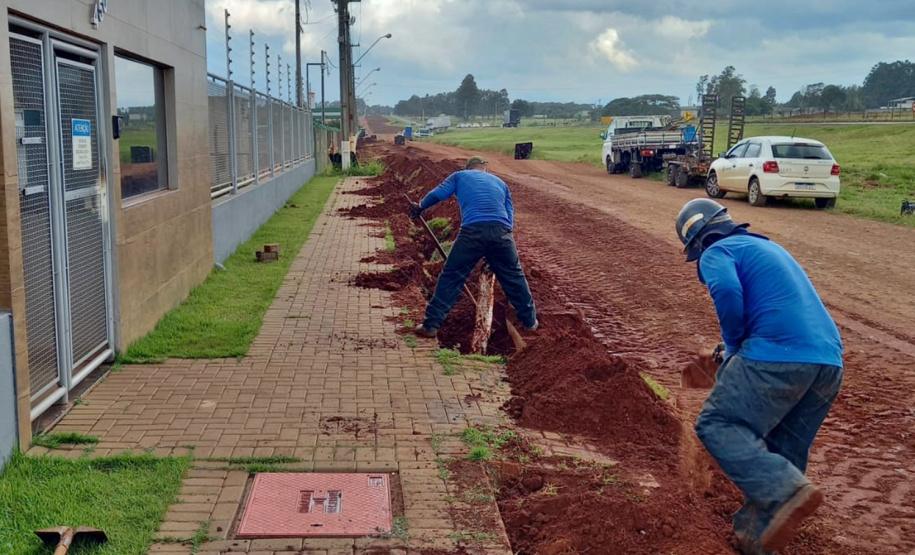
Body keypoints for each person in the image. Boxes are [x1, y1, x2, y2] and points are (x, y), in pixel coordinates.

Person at [675, 198, 843, 555]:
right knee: (784, 449)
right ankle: (756, 539)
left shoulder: (716, 252)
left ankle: (785, 491)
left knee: (717, 423)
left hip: (779, 356)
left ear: (699, 242)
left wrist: (735, 347)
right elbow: (776, 310)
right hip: (828, 364)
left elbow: (726, 290)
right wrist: (726, 351)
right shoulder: (766, 248)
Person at [409, 156, 537, 338]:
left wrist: (420, 207)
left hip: (472, 232)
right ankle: (530, 322)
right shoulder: (500, 183)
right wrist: (498, 245)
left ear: (468, 168)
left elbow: (438, 194)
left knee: (451, 276)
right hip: (501, 232)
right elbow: (509, 215)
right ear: (485, 169)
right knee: (514, 276)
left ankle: (430, 326)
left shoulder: (459, 176)